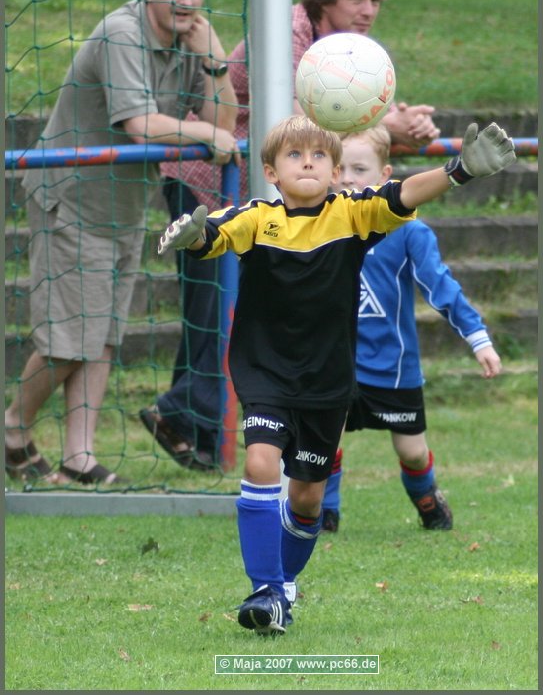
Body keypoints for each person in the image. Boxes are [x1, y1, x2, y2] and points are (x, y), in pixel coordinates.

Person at [156, 114, 515, 634]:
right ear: (270, 172)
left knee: (307, 500)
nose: (308, 162)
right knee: (260, 464)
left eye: (319, 156)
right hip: (266, 373)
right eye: (294, 155)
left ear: (336, 171)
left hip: (326, 382)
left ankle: (282, 591)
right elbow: (215, 234)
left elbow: (406, 194)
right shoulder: (258, 218)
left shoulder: (352, 215)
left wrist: (459, 170)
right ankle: (264, 590)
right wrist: (193, 236)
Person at [5, 0, 240, 485]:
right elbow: (141, 125)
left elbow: (223, 121)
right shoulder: (122, 33)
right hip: (70, 198)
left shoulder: (190, 41)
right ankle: (13, 426)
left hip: (124, 205)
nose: (186, 0)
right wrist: (207, 132)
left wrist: (216, 62)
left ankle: (78, 457)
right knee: (70, 337)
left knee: (105, 334)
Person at [319, 125, 503, 534]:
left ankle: (427, 500)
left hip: (392, 368)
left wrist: (479, 340)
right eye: (340, 168)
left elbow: (442, 288)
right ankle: (324, 512)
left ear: (385, 176)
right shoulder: (316, 224)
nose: (348, 177)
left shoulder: (408, 231)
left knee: (413, 451)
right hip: (332, 363)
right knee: (322, 441)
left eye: (360, 168)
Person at [228, 0, 441, 152]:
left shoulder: (354, 45)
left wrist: (415, 125)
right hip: (222, 176)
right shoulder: (287, 32)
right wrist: (386, 126)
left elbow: (378, 109)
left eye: (375, 1)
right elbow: (298, 122)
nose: (369, 12)